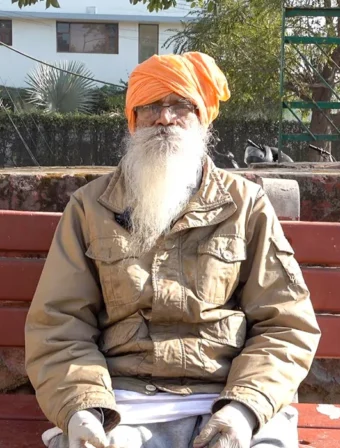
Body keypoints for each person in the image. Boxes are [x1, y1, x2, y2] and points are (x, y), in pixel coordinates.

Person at [24, 51, 321, 448]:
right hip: (122, 402)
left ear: (203, 120)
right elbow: (58, 325)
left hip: (229, 398)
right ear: (133, 122)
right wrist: (82, 409)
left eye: (181, 105)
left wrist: (243, 410)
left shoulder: (246, 205)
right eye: (150, 106)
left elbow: (286, 324)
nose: (165, 118)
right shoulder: (90, 208)